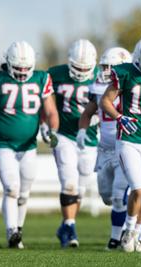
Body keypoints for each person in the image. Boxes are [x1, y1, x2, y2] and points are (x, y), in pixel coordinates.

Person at [0, 41, 59, 248]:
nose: (23, 72)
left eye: (27, 68)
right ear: (8, 63)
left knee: (24, 193)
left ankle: (18, 230)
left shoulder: (41, 78)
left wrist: (51, 129)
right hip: (4, 144)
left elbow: (51, 111)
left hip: (29, 146)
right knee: (11, 188)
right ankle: (11, 232)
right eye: (18, 68)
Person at [101, 36, 141, 253]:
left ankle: (137, 234)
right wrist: (119, 117)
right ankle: (128, 231)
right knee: (137, 189)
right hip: (129, 140)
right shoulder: (126, 72)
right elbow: (105, 101)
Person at [77, 47, 132, 249]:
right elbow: (87, 113)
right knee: (107, 197)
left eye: (111, 67)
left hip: (125, 148)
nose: (106, 71)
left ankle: (116, 238)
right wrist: (82, 131)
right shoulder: (99, 87)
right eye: (104, 66)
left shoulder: (131, 88)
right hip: (104, 149)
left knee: (119, 196)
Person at [47, 39, 98, 248]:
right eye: (77, 67)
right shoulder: (55, 74)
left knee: (81, 186)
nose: (81, 72)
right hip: (64, 134)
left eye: (85, 68)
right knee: (69, 181)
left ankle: (66, 225)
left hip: (90, 137)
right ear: (69, 62)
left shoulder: (101, 77)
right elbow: (46, 102)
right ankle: (70, 226)